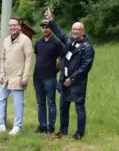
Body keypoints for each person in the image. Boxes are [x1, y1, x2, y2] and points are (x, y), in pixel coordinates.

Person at [44, 8, 95, 140]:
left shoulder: (87, 48)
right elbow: (60, 33)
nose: (75, 32)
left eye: (78, 30)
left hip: (77, 82)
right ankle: (63, 130)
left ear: (82, 31)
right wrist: (51, 20)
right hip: (64, 80)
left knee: (79, 109)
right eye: (74, 29)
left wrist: (72, 79)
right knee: (63, 107)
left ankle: (79, 133)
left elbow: (85, 67)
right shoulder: (69, 40)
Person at [0, 17, 33, 135]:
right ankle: (0, 123)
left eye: (14, 25)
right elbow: (3, 57)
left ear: (19, 26)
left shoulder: (25, 40)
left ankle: (17, 126)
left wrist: (25, 77)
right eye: (10, 25)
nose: (12, 27)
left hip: (18, 76)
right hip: (6, 76)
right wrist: (2, 73)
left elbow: (28, 59)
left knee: (18, 102)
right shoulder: (6, 40)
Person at [33, 20, 63, 134]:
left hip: (50, 77)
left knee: (51, 102)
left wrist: (55, 71)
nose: (45, 29)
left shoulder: (57, 43)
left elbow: (61, 59)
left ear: (51, 29)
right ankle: (42, 126)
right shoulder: (38, 42)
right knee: (40, 103)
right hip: (37, 77)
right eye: (43, 27)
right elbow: (38, 57)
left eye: (47, 27)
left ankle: (51, 127)